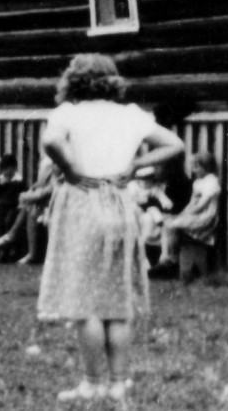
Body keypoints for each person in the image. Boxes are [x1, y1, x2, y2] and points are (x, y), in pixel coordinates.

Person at [37, 54, 184, 401]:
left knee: (84, 299)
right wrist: (135, 165)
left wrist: (72, 170)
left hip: (82, 201)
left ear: (73, 80)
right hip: (119, 201)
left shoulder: (68, 113)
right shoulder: (131, 114)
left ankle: (93, 381)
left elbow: (51, 142)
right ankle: (119, 382)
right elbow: (175, 145)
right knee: (118, 299)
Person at [156, 153, 221, 273]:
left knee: (171, 225)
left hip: (204, 219)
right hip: (195, 216)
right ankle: (165, 256)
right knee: (167, 221)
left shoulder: (212, 183)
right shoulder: (198, 182)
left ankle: (171, 259)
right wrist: (180, 215)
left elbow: (201, 206)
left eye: (196, 167)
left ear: (205, 167)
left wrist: (184, 216)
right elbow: (191, 204)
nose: (193, 170)